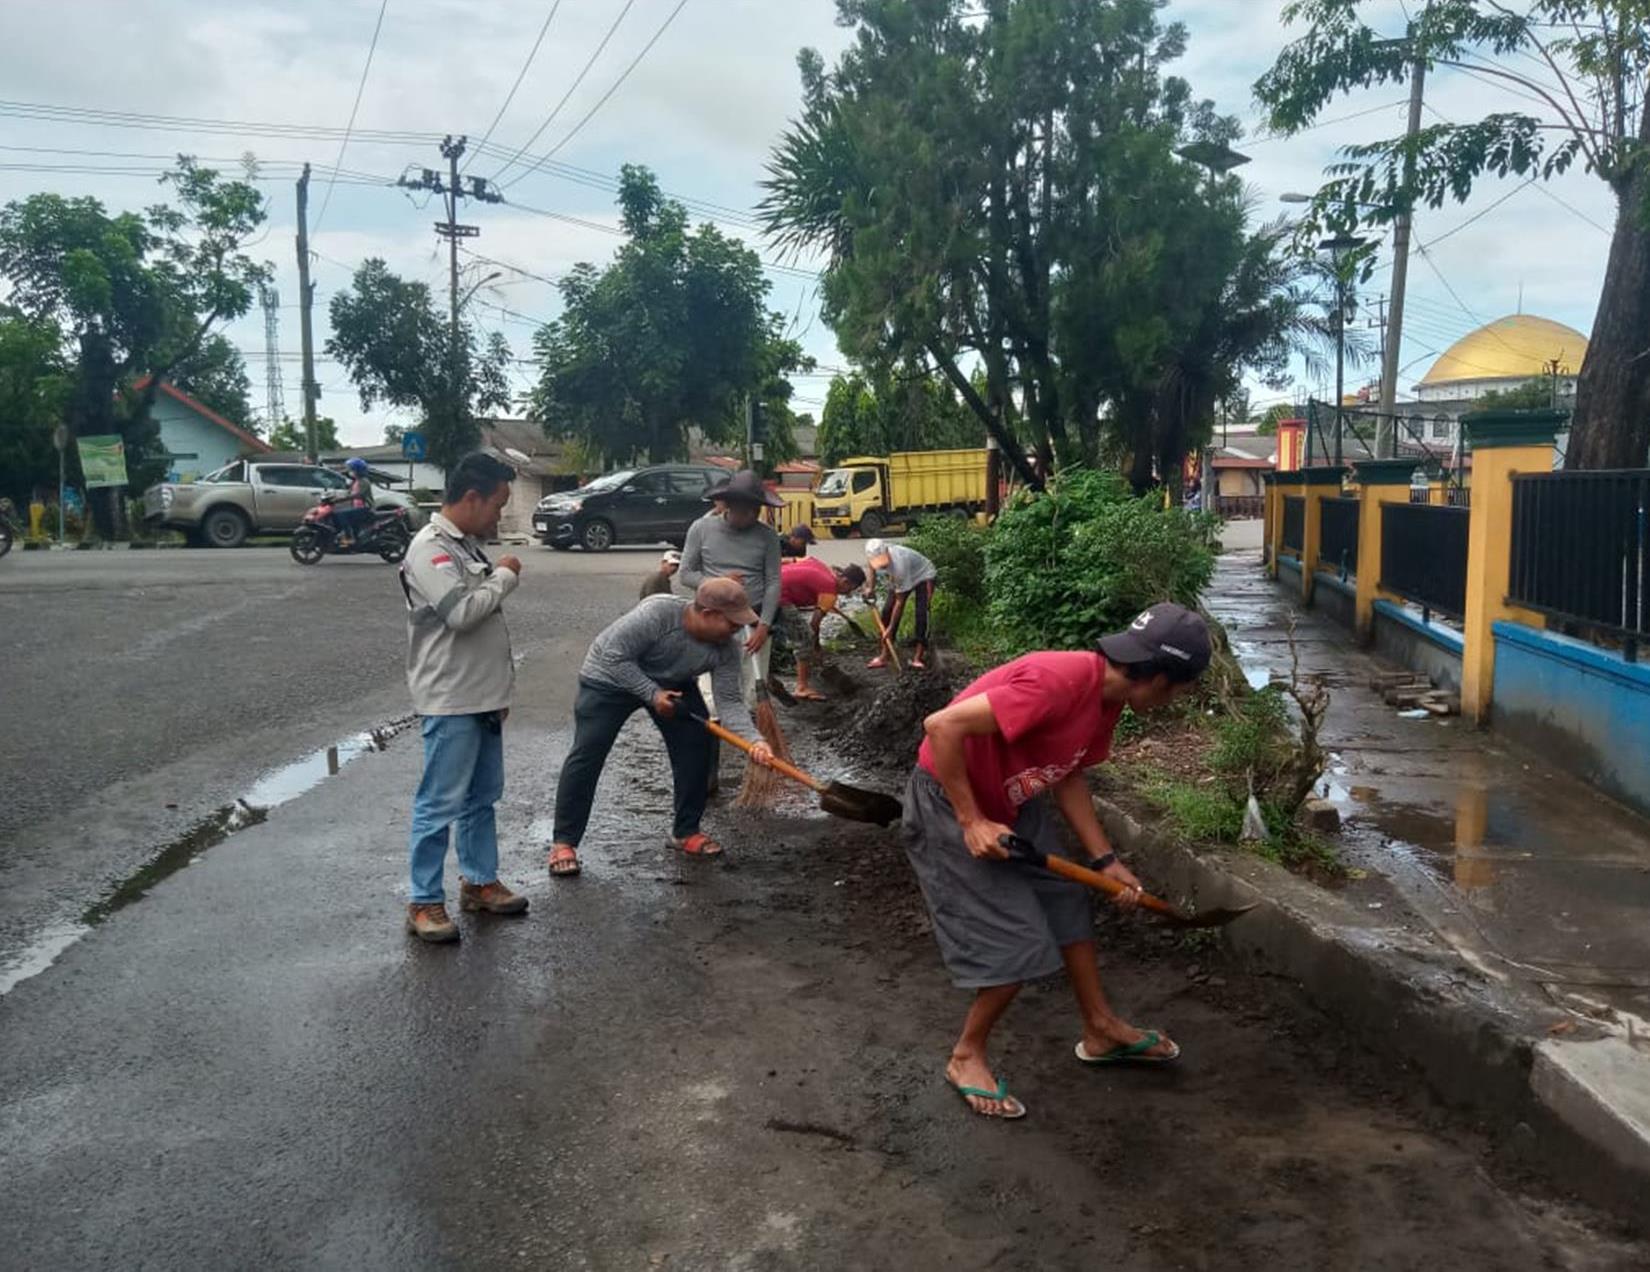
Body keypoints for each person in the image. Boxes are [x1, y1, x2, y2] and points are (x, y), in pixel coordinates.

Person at [903, 602, 1212, 1119]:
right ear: (1158, 678)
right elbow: (941, 726)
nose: (1179, 700)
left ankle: (1100, 1028)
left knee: (1068, 900)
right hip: (949, 803)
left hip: (1011, 804)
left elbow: (1068, 772)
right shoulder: (1058, 682)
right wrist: (971, 821)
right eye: (1182, 689)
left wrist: (1104, 859)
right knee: (1017, 942)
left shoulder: (1107, 700)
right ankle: (966, 1055)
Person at [547, 578, 776, 874]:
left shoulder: (726, 649)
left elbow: (729, 702)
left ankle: (686, 832)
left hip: (673, 681)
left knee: (697, 744)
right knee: (588, 751)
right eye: (732, 624)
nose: (736, 631)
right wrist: (652, 694)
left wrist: (754, 741)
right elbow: (614, 657)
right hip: (609, 678)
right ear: (707, 615)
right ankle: (564, 842)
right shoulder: (657, 614)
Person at [399, 452, 529, 943]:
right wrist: (506, 575)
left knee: (481, 798)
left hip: (480, 696)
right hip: (450, 697)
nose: (499, 515)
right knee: (439, 802)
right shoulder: (430, 548)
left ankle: (479, 881)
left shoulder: (465, 547)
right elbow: (462, 613)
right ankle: (424, 900)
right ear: (472, 498)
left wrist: (498, 692)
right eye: (497, 504)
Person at [678, 469, 784, 718]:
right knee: (711, 688)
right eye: (746, 509)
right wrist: (719, 583)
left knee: (751, 690)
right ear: (729, 504)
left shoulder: (767, 536)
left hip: (753, 618)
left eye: (756, 510)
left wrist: (764, 625)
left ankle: (749, 737)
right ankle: (713, 736)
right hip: (711, 618)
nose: (751, 515)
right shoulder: (701, 529)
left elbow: (773, 581)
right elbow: (686, 574)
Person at [776, 558, 865, 701]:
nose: (849, 594)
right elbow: (814, 624)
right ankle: (802, 687)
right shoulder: (830, 593)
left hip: (767, 583)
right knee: (804, 639)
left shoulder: (819, 565)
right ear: (846, 582)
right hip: (779, 597)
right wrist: (816, 648)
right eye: (851, 589)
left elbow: (786, 562)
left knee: (780, 634)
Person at [863, 538, 938, 670]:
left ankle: (918, 657)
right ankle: (885, 655)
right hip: (902, 577)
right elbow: (871, 569)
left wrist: (891, 628)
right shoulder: (873, 556)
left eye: (883, 562)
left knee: (921, 614)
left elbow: (900, 602)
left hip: (923, 576)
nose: (881, 565)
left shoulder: (899, 564)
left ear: (886, 552)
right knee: (886, 611)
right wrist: (871, 588)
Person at [335, 457, 375, 546]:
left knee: (342, 515)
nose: (350, 471)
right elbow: (348, 492)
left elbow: (359, 495)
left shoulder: (364, 481)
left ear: (358, 470)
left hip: (365, 508)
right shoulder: (355, 481)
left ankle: (349, 537)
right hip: (357, 507)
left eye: (352, 469)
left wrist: (342, 499)